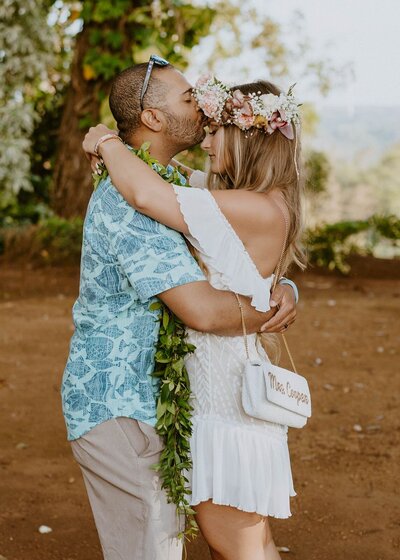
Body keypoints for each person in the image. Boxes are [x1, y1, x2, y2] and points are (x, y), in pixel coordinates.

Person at [62, 59, 299, 560]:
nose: (203, 112)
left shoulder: (174, 188)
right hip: (122, 399)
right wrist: (273, 299)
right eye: (190, 99)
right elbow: (206, 308)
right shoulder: (151, 193)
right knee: (206, 542)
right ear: (151, 117)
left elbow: (158, 194)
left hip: (206, 392)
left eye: (219, 126)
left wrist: (105, 142)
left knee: (235, 541)